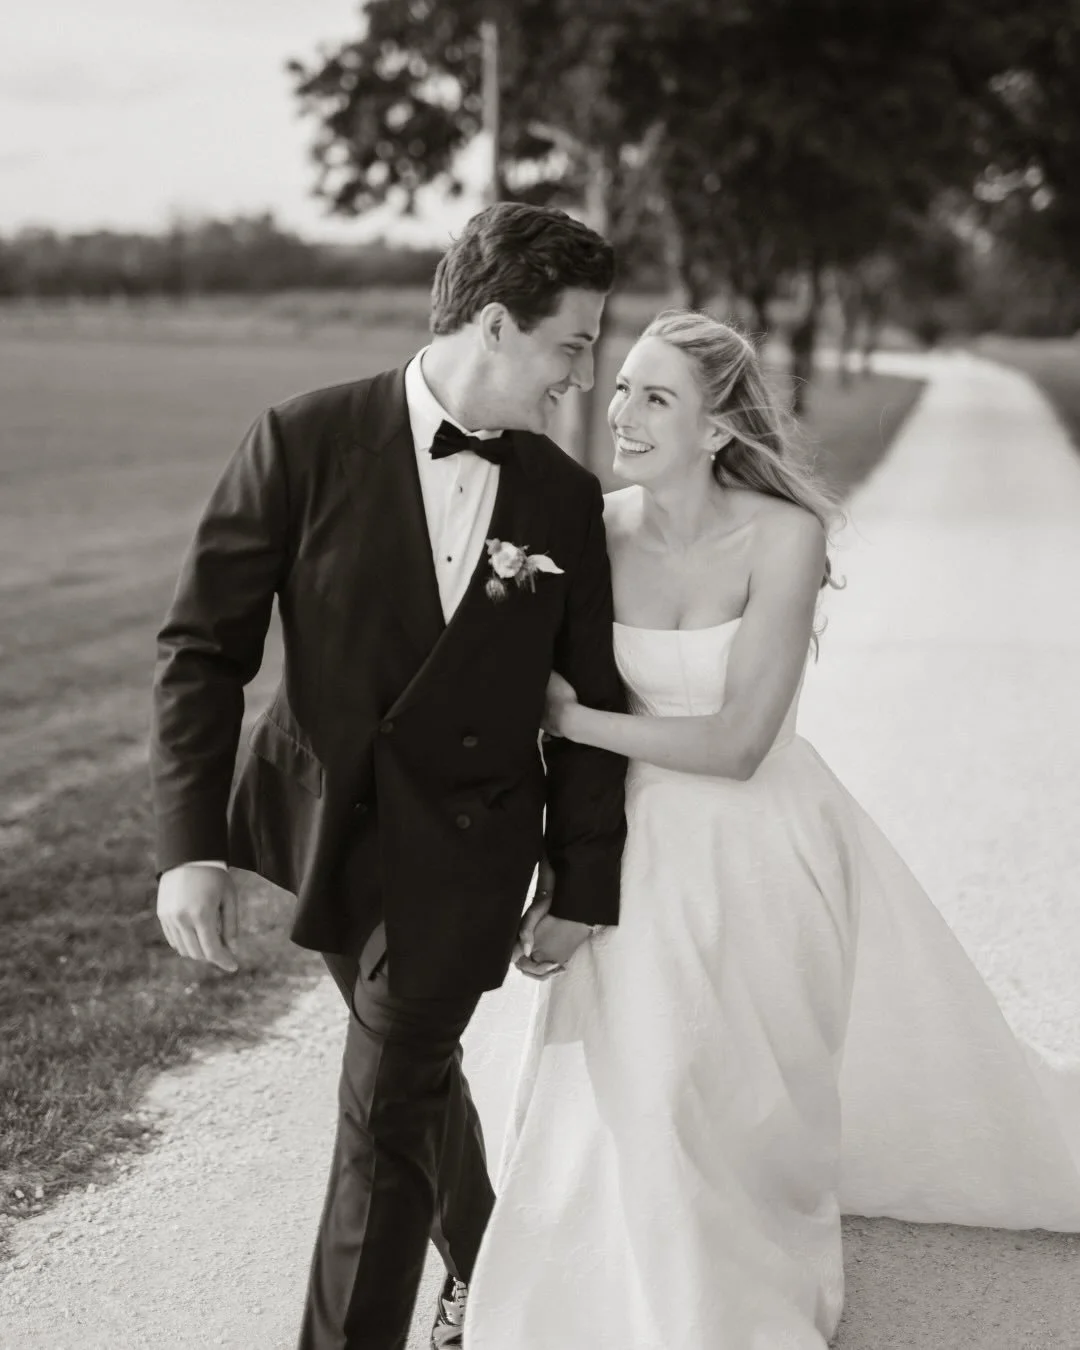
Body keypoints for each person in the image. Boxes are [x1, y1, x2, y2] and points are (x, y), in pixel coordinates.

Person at [464, 310, 1080, 1349]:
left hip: (758, 840)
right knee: (647, 1089)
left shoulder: (785, 536)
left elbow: (742, 742)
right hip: (630, 834)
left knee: (731, 1089)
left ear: (716, 430)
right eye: (622, 386)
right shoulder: (586, 532)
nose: (622, 412)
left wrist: (572, 719)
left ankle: (730, 1277)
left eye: (656, 397)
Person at [149, 202, 628, 1350]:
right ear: (497, 325)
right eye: (571, 345)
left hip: (467, 851)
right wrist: (190, 847)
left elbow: (590, 705)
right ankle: (492, 1270)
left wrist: (583, 882)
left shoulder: (564, 498)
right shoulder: (301, 440)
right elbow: (203, 652)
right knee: (410, 1084)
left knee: (381, 1116)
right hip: (325, 828)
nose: (581, 379)